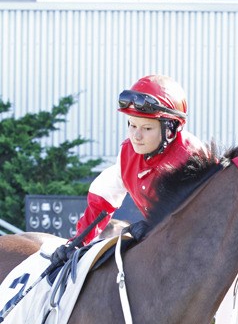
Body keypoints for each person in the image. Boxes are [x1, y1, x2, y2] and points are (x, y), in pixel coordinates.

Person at [53, 74, 206, 260]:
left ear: (171, 129)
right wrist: (77, 242)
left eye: (147, 128)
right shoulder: (128, 152)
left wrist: (153, 228)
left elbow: (197, 219)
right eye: (132, 125)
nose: (136, 136)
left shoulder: (192, 158)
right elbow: (101, 200)